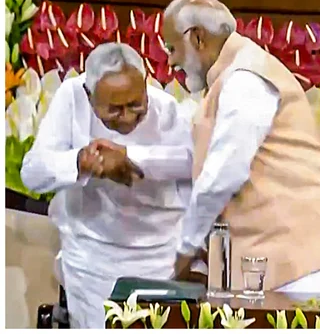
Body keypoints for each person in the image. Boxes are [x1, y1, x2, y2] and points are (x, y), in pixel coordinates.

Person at [161, 0, 320, 295]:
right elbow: (197, 161)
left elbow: (221, 177)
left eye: (173, 48)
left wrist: (184, 250)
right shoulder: (231, 74)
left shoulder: (245, 78)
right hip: (288, 263)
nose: (170, 61)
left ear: (198, 38)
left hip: (308, 265)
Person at [20, 43, 194, 328]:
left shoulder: (167, 109)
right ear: (90, 96)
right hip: (92, 260)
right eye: (114, 109)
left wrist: (130, 158)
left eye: (136, 105)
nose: (126, 116)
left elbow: (193, 163)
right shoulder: (72, 98)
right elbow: (32, 172)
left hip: (158, 260)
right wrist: (82, 162)